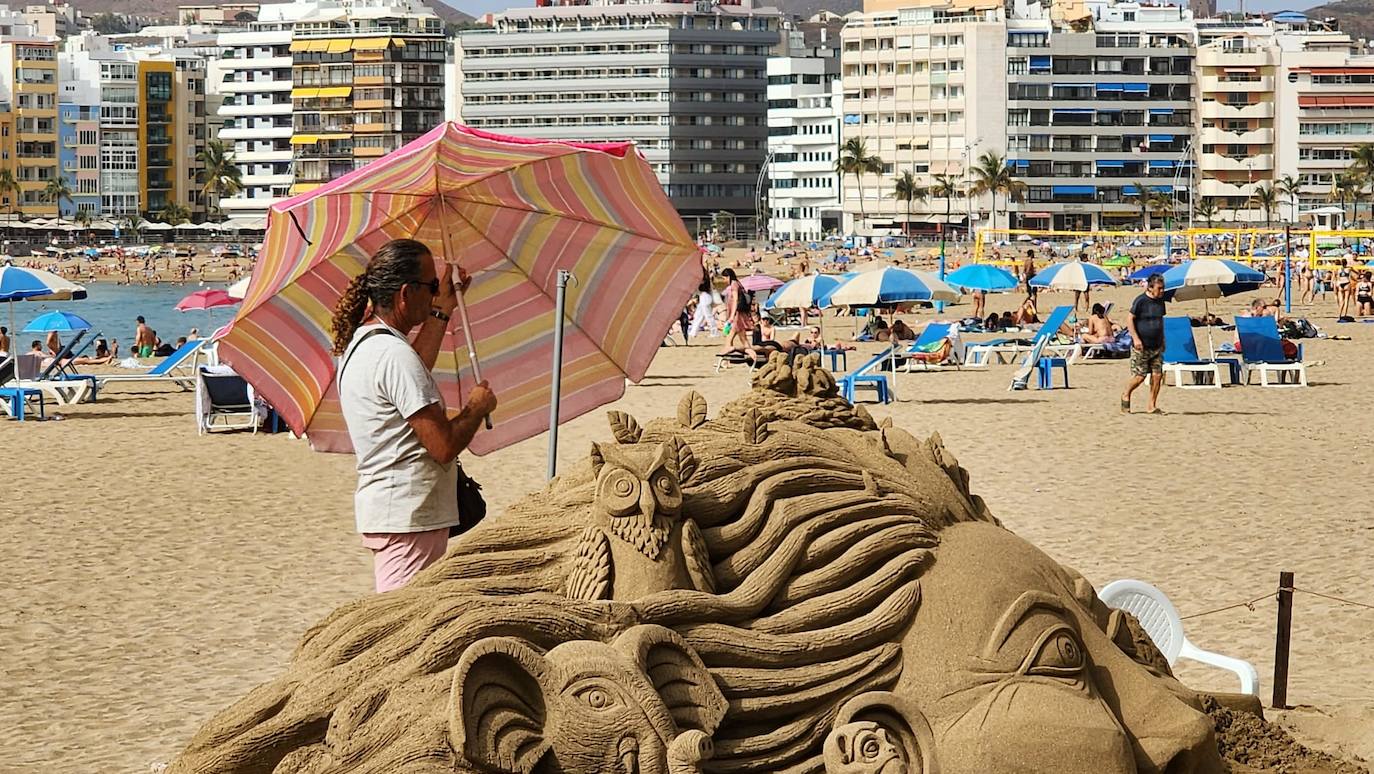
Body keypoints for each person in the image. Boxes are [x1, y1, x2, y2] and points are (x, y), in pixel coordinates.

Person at [331, 238, 498, 593]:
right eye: (431, 286)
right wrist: (476, 407)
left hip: (395, 510)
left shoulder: (367, 343)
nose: (435, 292)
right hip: (409, 516)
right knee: (402, 628)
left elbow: (412, 369)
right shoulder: (393, 355)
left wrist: (442, 309)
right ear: (406, 293)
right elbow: (443, 445)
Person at [1122, 274, 1167, 415]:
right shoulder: (1140, 301)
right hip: (1141, 346)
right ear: (1150, 287)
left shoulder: (1161, 302)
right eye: (1159, 288)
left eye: (1163, 288)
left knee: (1157, 375)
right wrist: (1135, 338)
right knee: (1139, 377)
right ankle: (1126, 394)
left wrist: (1163, 339)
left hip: (1157, 345)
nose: (1161, 291)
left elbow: (1160, 321)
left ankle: (1152, 405)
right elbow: (1129, 319)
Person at [720, 268, 753, 354]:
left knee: (733, 335)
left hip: (737, 314)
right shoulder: (737, 283)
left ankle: (725, 358)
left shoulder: (734, 285)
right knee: (742, 337)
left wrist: (732, 315)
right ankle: (752, 354)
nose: (724, 281)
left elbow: (735, 300)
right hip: (738, 313)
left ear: (728, 277)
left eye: (724, 278)